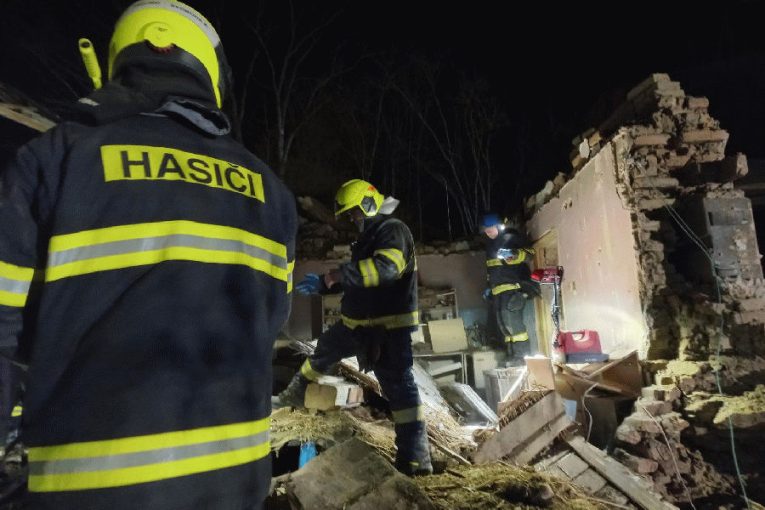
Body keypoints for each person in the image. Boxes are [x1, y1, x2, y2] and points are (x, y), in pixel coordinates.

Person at [0, 1, 296, 508]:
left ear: (121, 61)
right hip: (236, 483)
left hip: (93, 491)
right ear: (209, 75)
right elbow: (271, 320)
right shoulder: (271, 191)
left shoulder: (58, 158)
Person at [276, 179, 432, 476]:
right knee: (325, 349)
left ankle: (415, 459)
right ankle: (296, 392)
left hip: (387, 330)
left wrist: (336, 275)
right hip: (358, 325)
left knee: (400, 391)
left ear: (368, 204)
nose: (352, 219)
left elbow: (385, 270)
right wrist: (325, 285)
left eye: (353, 212)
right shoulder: (372, 236)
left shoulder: (393, 230)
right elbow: (362, 282)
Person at [480, 213, 538, 365]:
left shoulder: (511, 238)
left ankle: (523, 358)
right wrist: (489, 288)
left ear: (498, 226)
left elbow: (530, 254)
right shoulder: (490, 246)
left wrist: (514, 254)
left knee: (515, 326)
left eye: (491, 229)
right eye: (486, 230)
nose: (488, 232)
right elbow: (491, 270)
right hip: (497, 292)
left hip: (513, 289)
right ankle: (512, 355)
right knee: (504, 327)